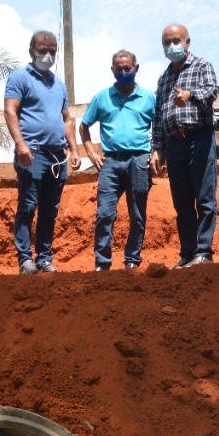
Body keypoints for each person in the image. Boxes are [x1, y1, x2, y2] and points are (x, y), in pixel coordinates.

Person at [4, 30, 80, 274]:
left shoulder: (59, 85)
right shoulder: (20, 78)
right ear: (31, 51)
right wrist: (20, 144)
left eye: (52, 51)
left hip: (57, 155)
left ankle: (44, 258)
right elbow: (10, 111)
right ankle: (25, 259)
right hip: (32, 152)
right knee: (27, 206)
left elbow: (67, 119)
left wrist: (74, 148)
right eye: (42, 50)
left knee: (50, 209)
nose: (48, 55)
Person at [149, 23, 219, 268]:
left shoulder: (202, 66)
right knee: (182, 202)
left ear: (188, 42)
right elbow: (159, 115)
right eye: (167, 42)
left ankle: (204, 252)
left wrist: (190, 95)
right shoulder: (165, 77)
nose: (172, 46)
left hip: (199, 138)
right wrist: (157, 148)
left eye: (176, 40)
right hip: (174, 145)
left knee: (204, 197)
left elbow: (212, 91)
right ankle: (188, 253)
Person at [80, 50, 156, 271]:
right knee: (105, 213)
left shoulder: (149, 98)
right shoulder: (102, 97)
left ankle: (132, 259)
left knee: (138, 214)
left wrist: (158, 152)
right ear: (112, 70)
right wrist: (91, 153)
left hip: (139, 161)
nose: (123, 72)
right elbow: (84, 126)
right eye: (119, 69)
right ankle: (102, 263)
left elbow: (160, 126)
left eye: (127, 68)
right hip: (110, 162)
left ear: (136, 68)